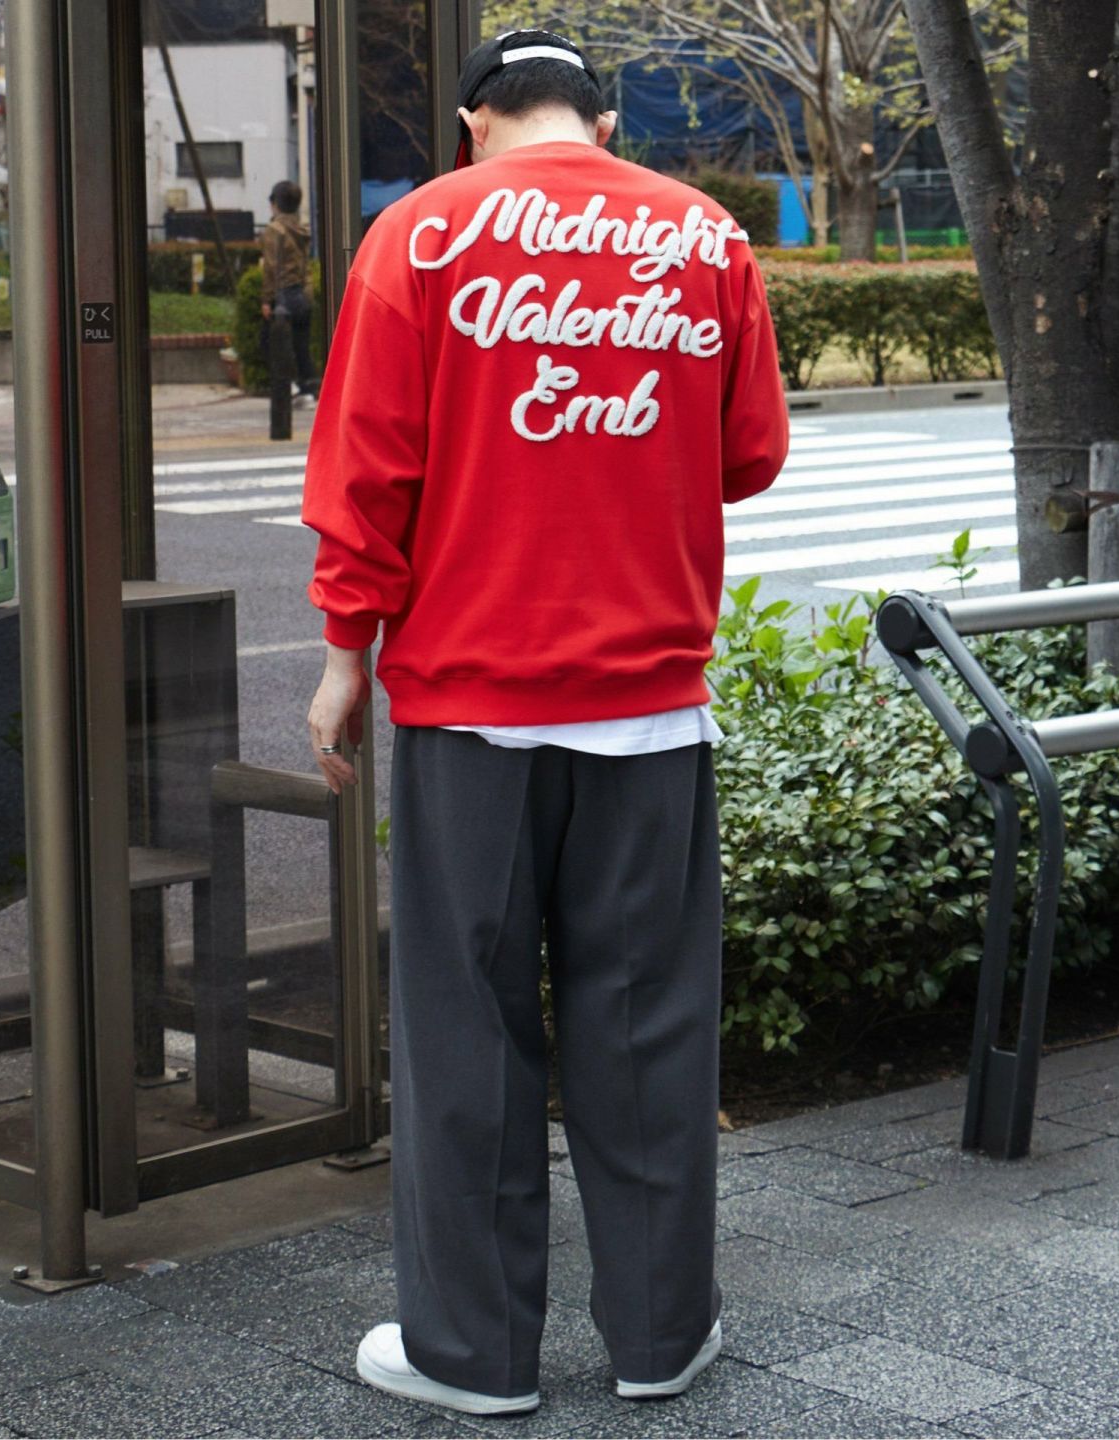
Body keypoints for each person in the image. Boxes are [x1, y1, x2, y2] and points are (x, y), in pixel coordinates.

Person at [300, 27, 788, 1419]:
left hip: (470, 711)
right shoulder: (704, 237)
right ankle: (660, 1337)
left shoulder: (419, 236)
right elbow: (750, 453)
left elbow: (367, 470)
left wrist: (345, 657)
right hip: (649, 711)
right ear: (604, 121)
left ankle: (473, 1356)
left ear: (473, 122)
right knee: (646, 1030)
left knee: (466, 1031)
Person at [260, 179, 319, 405]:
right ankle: (308, 390)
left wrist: (267, 299)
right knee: (301, 346)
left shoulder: (274, 230)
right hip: (303, 294)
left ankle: (290, 386)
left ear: (275, 203)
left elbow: (271, 268)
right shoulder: (302, 229)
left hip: (284, 294)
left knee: (268, 341)